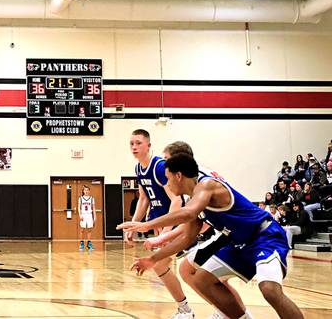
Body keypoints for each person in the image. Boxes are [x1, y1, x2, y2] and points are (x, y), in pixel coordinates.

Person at [122, 153, 303, 319]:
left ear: (178, 176)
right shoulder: (192, 198)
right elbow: (187, 237)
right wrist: (152, 259)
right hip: (240, 242)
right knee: (201, 279)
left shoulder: (207, 185)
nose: (166, 185)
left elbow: (187, 213)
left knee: (269, 290)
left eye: (168, 179)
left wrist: (145, 225)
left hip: (264, 236)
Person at [126, 129, 193, 319]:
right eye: (131, 143)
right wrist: (134, 224)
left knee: (167, 265)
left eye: (138, 143)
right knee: (162, 265)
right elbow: (143, 199)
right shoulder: (139, 168)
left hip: (173, 222)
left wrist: (165, 231)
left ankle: (186, 309)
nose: (134, 147)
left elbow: (177, 200)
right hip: (158, 221)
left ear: (148, 145)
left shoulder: (159, 166)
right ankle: (185, 309)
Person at [78, 185, 96, 251]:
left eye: (87, 190)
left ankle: (89, 243)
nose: (86, 191)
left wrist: (95, 217)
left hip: (89, 215)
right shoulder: (80, 198)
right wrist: (80, 215)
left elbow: (93, 208)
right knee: (82, 230)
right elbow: (79, 208)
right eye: (85, 190)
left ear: (89, 191)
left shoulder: (92, 198)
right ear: (83, 191)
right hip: (83, 215)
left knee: (89, 230)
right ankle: (81, 243)